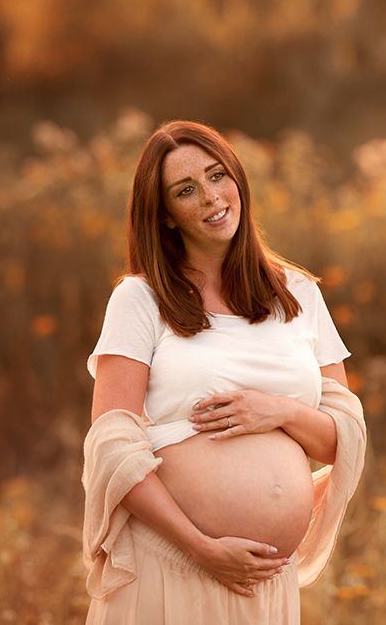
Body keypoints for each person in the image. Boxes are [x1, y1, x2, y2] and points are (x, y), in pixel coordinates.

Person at [81, 120, 367, 624]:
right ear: (166, 214)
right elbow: (112, 447)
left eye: (217, 176)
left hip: (264, 581)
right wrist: (200, 546)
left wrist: (277, 411)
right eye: (186, 190)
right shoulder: (140, 299)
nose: (211, 197)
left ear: (238, 178)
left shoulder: (297, 293)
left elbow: (337, 440)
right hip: (171, 565)